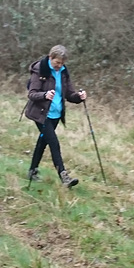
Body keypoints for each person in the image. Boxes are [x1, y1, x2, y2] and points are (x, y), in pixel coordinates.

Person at [25, 45, 87, 188]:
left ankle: (32, 170)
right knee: (54, 143)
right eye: (57, 62)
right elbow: (32, 93)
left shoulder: (64, 72)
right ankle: (64, 176)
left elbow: (69, 94)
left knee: (43, 142)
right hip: (41, 114)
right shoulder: (41, 69)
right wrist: (44, 95)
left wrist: (79, 96)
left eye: (62, 63)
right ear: (50, 57)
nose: (59, 66)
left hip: (56, 115)